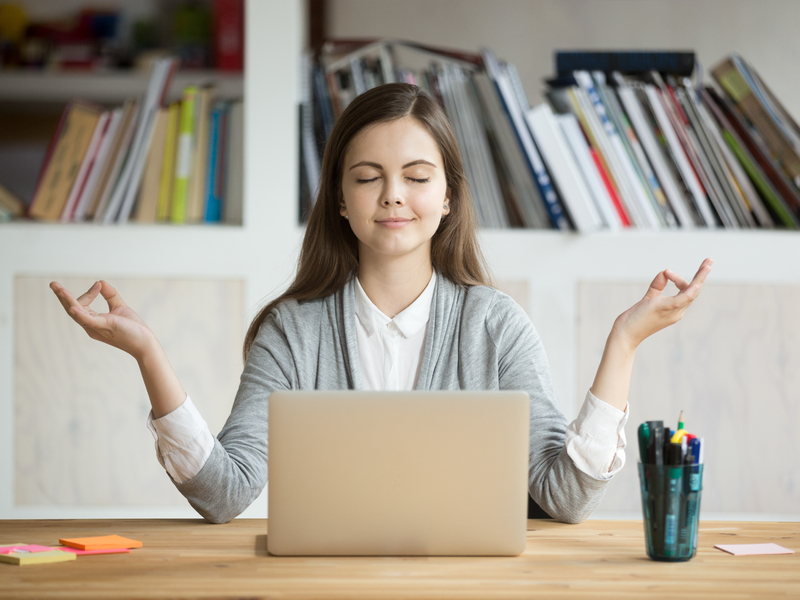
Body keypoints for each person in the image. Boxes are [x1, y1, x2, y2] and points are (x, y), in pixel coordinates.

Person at [50, 83, 712, 524]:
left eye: (417, 178)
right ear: (341, 200)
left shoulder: (496, 326)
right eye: (368, 178)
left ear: (447, 196)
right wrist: (148, 354)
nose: (393, 195)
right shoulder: (293, 331)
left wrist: (623, 343)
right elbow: (225, 495)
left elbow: (563, 498)